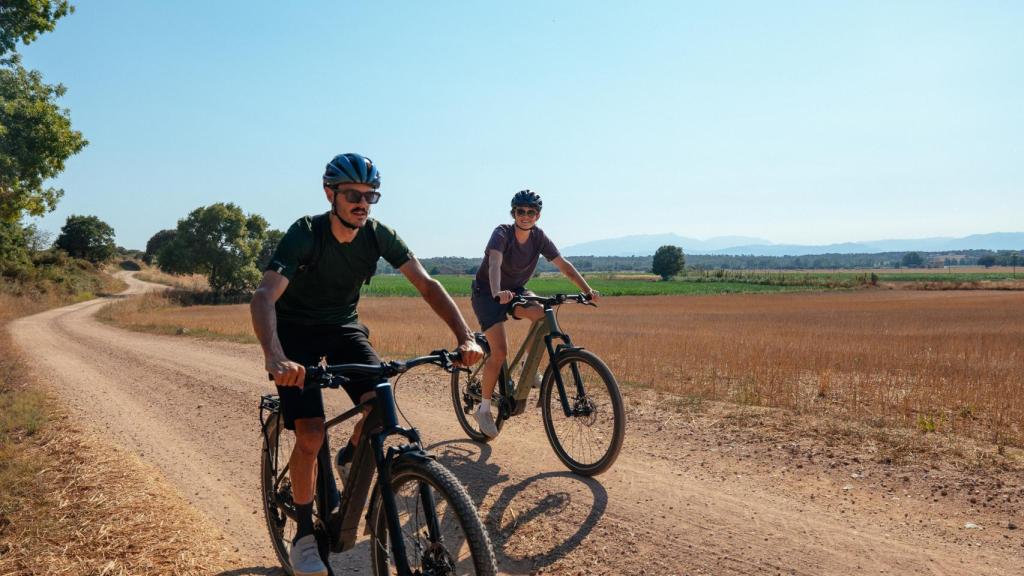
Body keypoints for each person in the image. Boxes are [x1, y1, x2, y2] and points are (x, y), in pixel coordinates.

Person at [250, 153, 483, 576]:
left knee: (380, 403)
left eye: (370, 195)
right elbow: (265, 295)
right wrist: (275, 355)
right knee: (310, 433)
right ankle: (304, 533)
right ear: (330, 194)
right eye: (353, 195)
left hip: (343, 328)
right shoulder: (305, 234)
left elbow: (427, 285)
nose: (363, 203)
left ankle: (351, 455)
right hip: (295, 333)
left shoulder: (378, 235)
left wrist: (464, 336)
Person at [470, 189, 599, 438]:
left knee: (541, 313)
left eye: (531, 212)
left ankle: (530, 372)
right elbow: (495, 262)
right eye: (521, 211)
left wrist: (587, 290)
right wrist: (498, 291)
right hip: (488, 293)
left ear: (537, 216)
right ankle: (484, 409)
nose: (526, 216)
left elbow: (564, 266)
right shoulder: (502, 233)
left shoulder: (538, 237)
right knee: (499, 352)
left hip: (515, 291)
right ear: (513, 213)